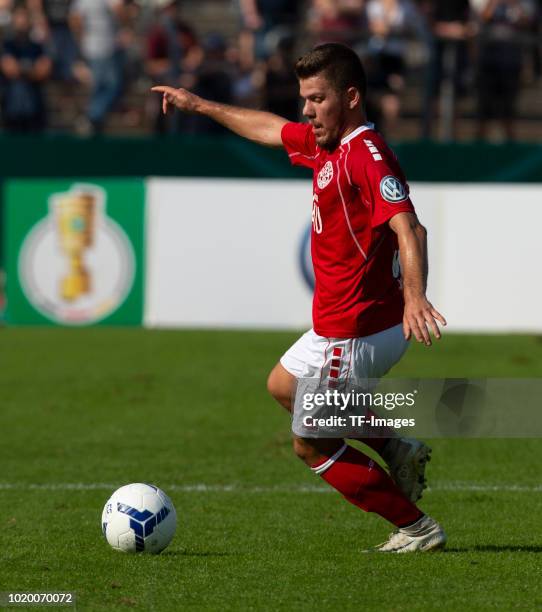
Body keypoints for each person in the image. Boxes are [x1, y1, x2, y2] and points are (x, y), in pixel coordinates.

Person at [152, 43, 447, 553]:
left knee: (310, 442)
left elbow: (409, 226)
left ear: (350, 97)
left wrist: (416, 297)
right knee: (284, 384)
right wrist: (199, 105)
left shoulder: (364, 155)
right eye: (304, 99)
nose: (306, 111)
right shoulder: (324, 142)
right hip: (340, 322)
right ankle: (394, 446)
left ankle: (417, 527)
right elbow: (268, 128)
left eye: (317, 99)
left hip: (357, 330)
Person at [0, 3, 52, 133]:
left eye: (24, 17)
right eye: (19, 17)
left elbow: (43, 71)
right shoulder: (8, 45)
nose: (22, 20)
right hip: (12, 106)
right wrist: (30, 69)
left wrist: (22, 69)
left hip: (35, 105)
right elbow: (10, 70)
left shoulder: (37, 46)